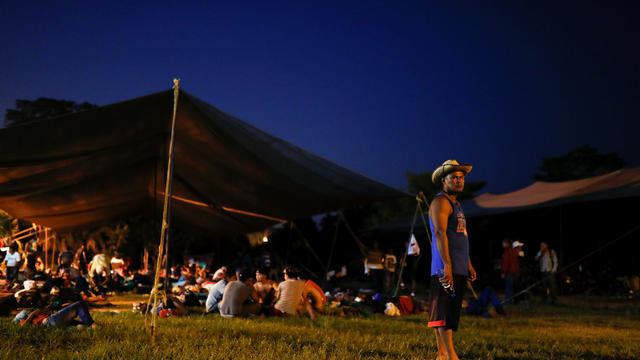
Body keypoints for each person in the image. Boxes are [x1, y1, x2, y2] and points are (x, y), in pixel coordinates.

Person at [428, 160, 476, 360]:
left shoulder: (457, 204)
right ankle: (450, 355)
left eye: (461, 177)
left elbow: (459, 235)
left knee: (447, 311)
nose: (458, 181)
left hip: (458, 265)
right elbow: (440, 233)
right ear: (443, 180)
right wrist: (446, 265)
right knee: (444, 312)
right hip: (445, 266)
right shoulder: (440, 202)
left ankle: (441, 354)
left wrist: (468, 263)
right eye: (453, 177)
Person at [16, 301, 97, 328]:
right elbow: (23, 325)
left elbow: (47, 311)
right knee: (80, 304)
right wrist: (32, 314)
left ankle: (87, 326)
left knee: (80, 324)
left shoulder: (37, 315)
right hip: (50, 321)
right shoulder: (26, 319)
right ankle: (92, 324)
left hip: (53, 321)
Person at [501, 239, 519, 303]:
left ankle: (509, 300)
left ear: (507, 243)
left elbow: (506, 262)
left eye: (503, 243)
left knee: (509, 287)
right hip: (515, 271)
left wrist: (503, 272)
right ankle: (514, 300)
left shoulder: (507, 251)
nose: (502, 244)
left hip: (510, 272)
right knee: (514, 287)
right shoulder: (514, 250)